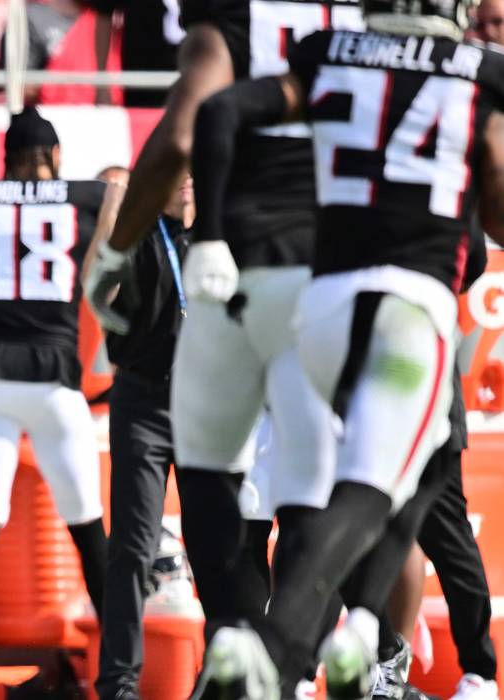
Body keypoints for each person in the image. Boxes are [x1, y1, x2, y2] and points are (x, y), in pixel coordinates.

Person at [188, 0, 504, 694]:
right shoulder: (482, 74)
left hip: (323, 308)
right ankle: (275, 645)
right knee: (377, 482)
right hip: (406, 311)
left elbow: (215, 114)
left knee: (388, 470)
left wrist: (207, 232)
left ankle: (351, 630)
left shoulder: (328, 51)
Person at [84, 0, 360, 653]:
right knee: (326, 490)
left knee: (211, 473)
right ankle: (313, 656)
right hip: (344, 280)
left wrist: (115, 251)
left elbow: (180, 136)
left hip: (252, 275)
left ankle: (238, 641)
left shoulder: (233, 22)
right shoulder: (375, 31)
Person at [0, 106, 120, 700]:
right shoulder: (90, 197)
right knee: (88, 530)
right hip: (59, 382)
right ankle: (117, 670)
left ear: (5, 160)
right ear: (55, 158)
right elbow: (114, 263)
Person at [93, 174, 194, 700]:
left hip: (207, 406)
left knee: (221, 545)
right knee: (133, 547)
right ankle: (119, 684)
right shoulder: (138, 232)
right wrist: (117, 211)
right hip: (144, 402)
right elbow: (98, 287)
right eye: (174, 171)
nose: (186, 182)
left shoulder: (220, 233)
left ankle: (227, 672)